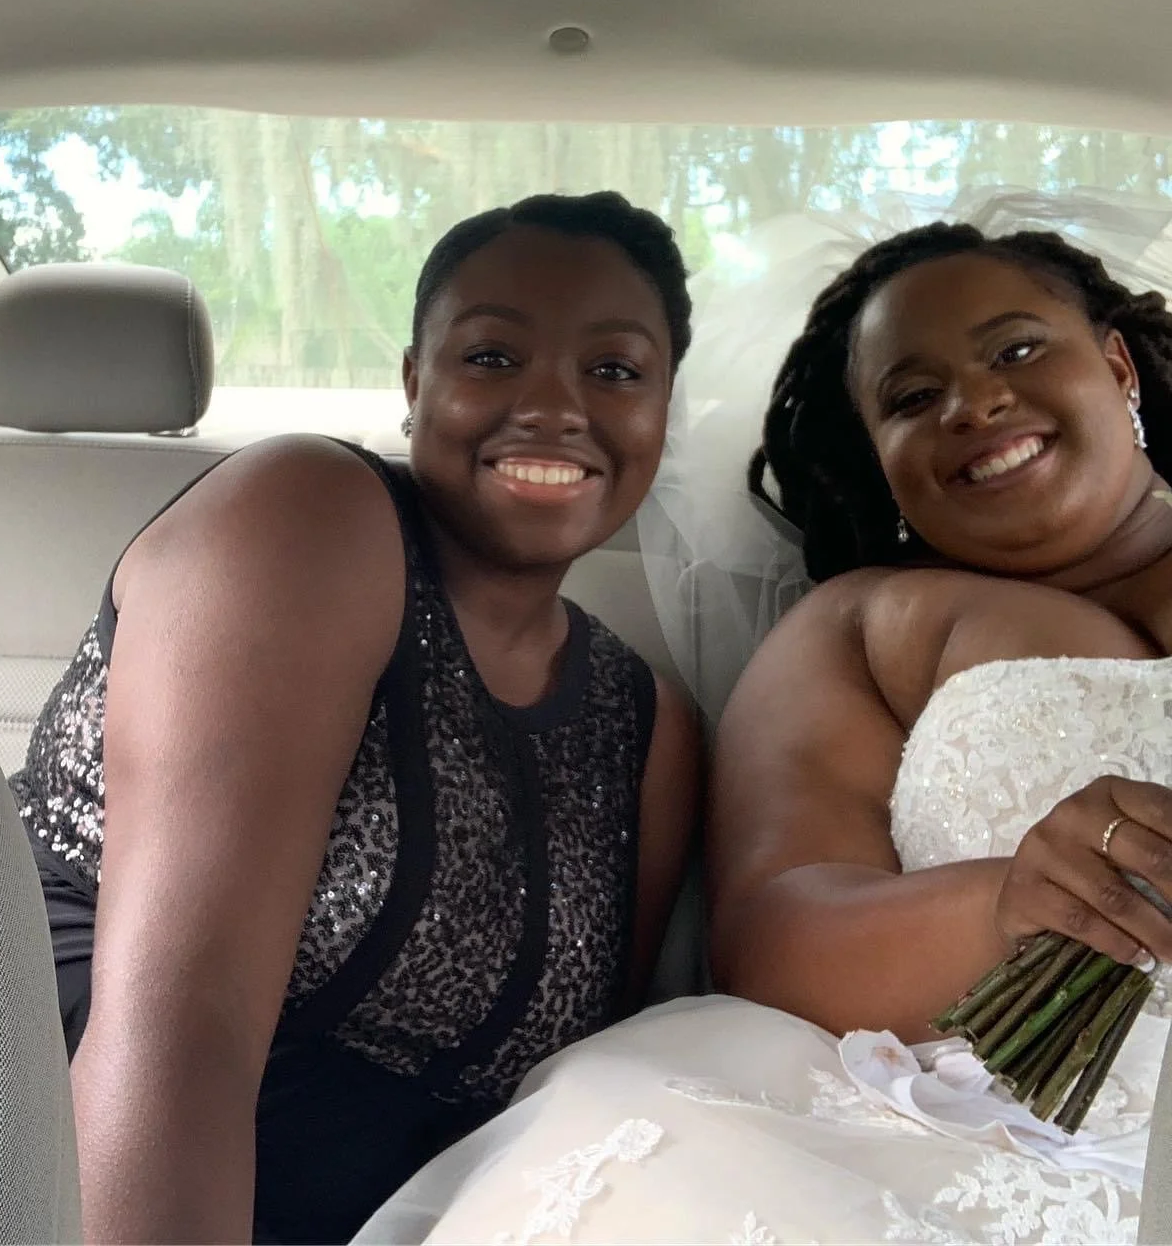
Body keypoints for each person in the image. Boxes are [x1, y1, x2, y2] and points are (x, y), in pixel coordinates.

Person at [354, 206, 1172, 1245]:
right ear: (879, 460)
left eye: (1016, 348)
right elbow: (775, 936)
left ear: (1117, 368)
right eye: (915, 397)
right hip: (956, 1126)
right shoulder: (863, 626)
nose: (976, 402)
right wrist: (1008, 908)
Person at [8, 191, 702, 1244]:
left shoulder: (647, 724)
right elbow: (175, 1032)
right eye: (492, 358)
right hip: (103, 1165)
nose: (557, 405)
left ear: (663, 412)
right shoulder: (301, 519)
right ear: (415, 384)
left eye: (614, 372)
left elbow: (582, 1083)